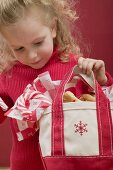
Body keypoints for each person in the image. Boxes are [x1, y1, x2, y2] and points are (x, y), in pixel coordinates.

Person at [0, 0, 113, 170]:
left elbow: (103, 107)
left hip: (71, 165)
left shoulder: (76, 68)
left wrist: (102, 81)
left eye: (38, 43)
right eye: (19, 48)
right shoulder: (8, 75)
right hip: (25, 166)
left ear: (53, 28)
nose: (32, 56)